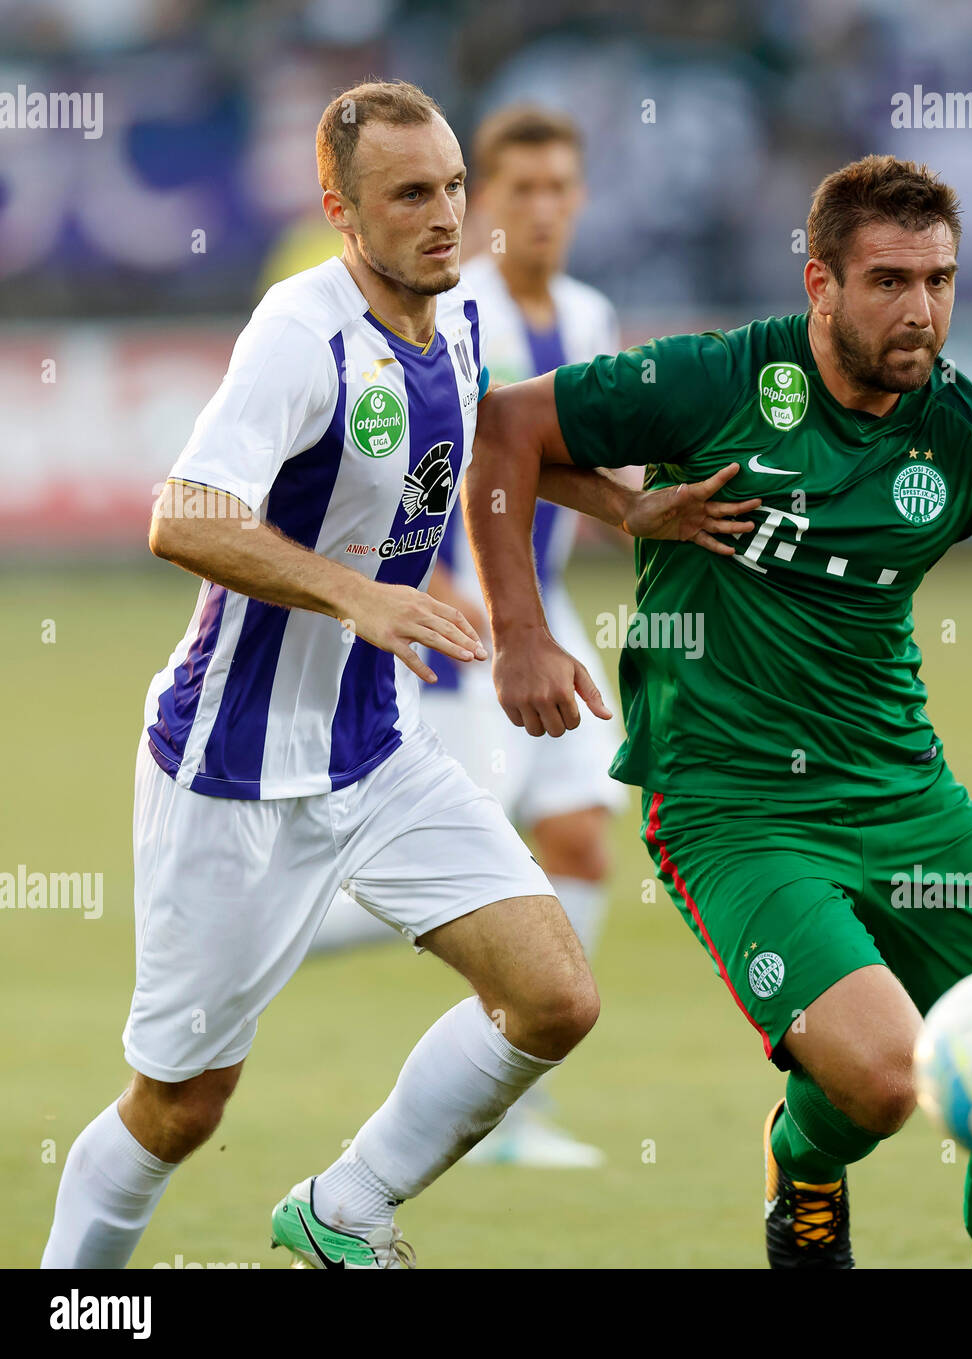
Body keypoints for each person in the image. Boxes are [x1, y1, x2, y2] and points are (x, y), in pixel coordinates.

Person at [39, 79, 752, 1270]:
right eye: (409, 195)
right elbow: (184, 516)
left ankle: (344, 1205)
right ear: (340, 209)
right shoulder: (297, 332)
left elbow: (482, 443)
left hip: (375, 750)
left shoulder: (457, 314)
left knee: (552, 999)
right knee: (179, 1109)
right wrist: (357, 590)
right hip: (229, 770)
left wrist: (630, 509)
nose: (444, 215)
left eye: (453, 188)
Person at [459, 154, 972, 1269]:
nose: (920, 310)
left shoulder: (966, 432)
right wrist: (528, 628)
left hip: (908, 797)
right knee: (883, 1078)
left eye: (940, 281)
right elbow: (505, 429)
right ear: (819, 284)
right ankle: (803, 1162)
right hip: (733, 808)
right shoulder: (715, 380)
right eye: (890, 281)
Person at [310, 105, 625, 1170]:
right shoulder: (454, 307)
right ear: (481, 202)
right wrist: (450, 602)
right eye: (518, 191)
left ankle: (515, 1110)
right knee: (469, 864)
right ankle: (286, 923)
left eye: (559, 190)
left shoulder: (586, 314)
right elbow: (425, 468)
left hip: (544, 611)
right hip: (461, 620)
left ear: (580, 200)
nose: (540, 210)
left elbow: (592, 464)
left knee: (580, 838)